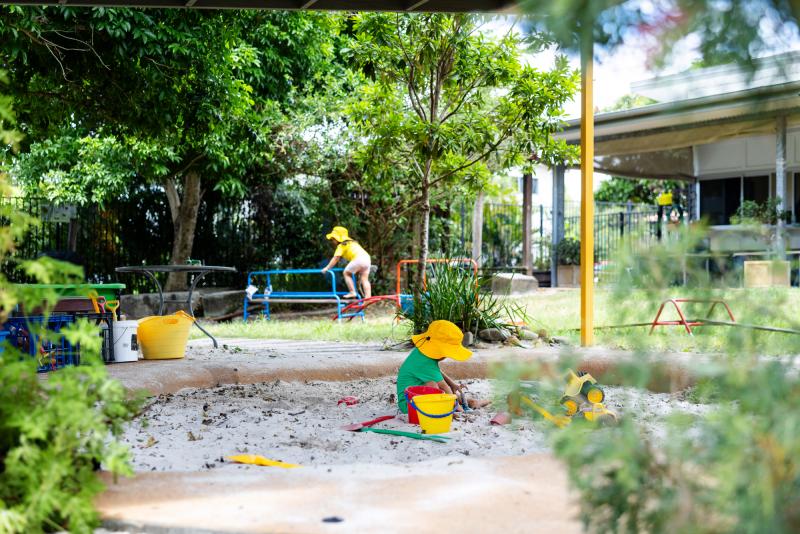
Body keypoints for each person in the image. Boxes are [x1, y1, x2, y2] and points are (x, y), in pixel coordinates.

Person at [396, 320, 490, 416]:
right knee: (434, 386)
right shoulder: (425, 363)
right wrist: (461, 411)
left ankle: (471, 402)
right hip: (409, 405)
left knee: (441, 390)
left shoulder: (423, 353)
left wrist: (452, 384)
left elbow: (436, 372)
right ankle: (454, 408)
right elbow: (444, 386)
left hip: (417, 395)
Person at [321, 226, 372, 299]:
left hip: (359, 259)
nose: (332, 241)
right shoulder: (352, 242)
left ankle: (352, 292)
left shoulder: (341, 246)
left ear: (337, 238)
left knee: (346, 273)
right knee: (364, 279)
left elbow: (336, 258)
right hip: (367, 258)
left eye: (333, 239)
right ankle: (368, 297)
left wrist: (327, 268)